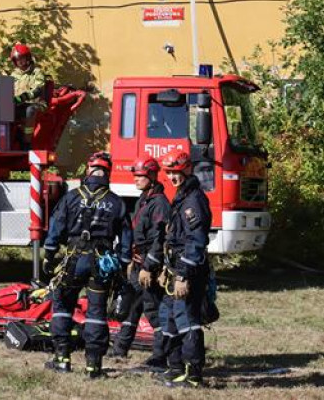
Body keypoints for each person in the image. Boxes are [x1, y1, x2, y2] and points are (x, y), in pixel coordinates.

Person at [42, 152, 132, 379]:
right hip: (101, 265)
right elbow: (126, 238)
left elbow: (56, 228)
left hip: (72, 261)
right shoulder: (116, 202)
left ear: (88, 171)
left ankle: (62, 359)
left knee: (62, 306)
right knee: (96, 313)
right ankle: (94, 367)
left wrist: (49, 256)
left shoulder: (71, 198)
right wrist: (122, 265)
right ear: (107, 173)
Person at [155, 150, 213, 389]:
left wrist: (182, 276)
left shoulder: (193, 200)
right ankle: (176, 369)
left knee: (188, 321)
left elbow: (195, 242)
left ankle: (193, 376)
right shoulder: (182, 196)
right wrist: (166, 269)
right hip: (175, 268)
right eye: (169, 172)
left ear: (187, 169)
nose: (172, 176)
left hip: (188, 272)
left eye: (176, 172)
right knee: (170, 320)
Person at [110, 156, 170, 368]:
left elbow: (159, 238)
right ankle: (119, 349)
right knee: (131, 306)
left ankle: (161, 356)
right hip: (137, 264)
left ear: (152, 176)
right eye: (135, 175)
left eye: (140, 176)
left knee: (153, 309)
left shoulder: (159, 204)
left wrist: (149, 267)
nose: (135, 179)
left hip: (148, 266)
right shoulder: (144, 200)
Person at [9, 43, 47, 148]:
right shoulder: (13, 75)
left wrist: (25, 97)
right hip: (19, 104)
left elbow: (39, 89)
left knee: (30, 110)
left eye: (22, 58)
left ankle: (27, 141)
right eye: (17, 59)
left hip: (37, 104)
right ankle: (9, 138)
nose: (20, 61)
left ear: (28, 58)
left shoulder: (36, 72)